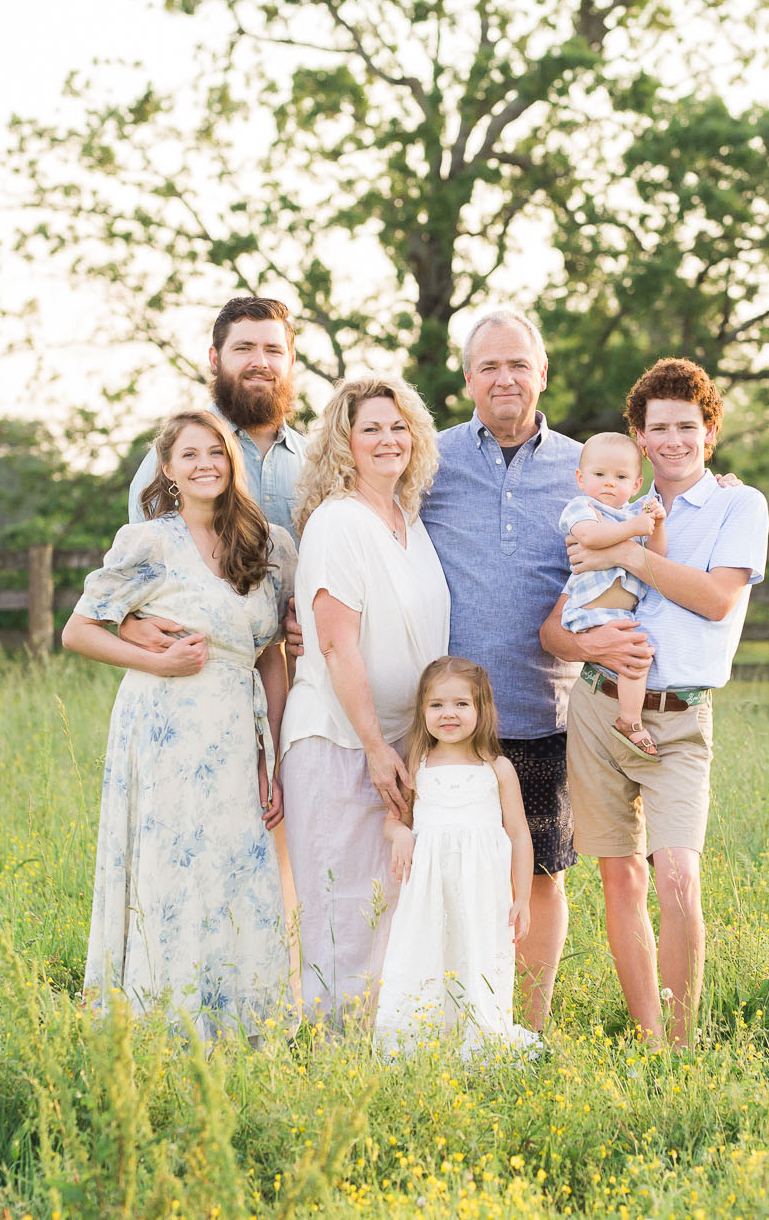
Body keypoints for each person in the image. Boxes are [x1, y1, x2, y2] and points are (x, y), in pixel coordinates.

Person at [420, 308, 655, 1033]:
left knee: (543, 874)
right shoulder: (430, 459)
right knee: (443, 874)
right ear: (466, 379)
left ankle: (528, 1025)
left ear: (542, 373)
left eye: (518, 363)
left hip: (546, 710)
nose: (504, 378)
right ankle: (448, 1021)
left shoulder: (589, 468)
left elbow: (659, 511)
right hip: (450, 720)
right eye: (488, 365)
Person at [553, 358, 768, 1048]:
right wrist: (597, 647)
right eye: (658, 428)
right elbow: (554, 628)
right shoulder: (608, 505)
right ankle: (649, 1038)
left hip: (679, 718)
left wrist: (633, 552)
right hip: (598, 708)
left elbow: (714, 599)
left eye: (687, 426)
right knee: (620, 877)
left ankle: (682, 1043)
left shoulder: (740, 505)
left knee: (675, 876)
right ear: (639, 438)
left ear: (709, 432)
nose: (672, 439)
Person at [60, 410, 295, 1037]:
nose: (204, 465)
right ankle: (165, 1020)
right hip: (163, 723)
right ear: (168, 470)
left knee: (240, 864)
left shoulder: (269, 545)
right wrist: (154, 661)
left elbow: (269, 653)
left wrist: (272, 750)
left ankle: (243, 1024)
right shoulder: (149, 543)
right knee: (174, 864)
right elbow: (79, 630)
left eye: (215, 453)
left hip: (236, 724)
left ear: (232, 462)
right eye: (189, 455)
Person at [277, 375, 449, 1026]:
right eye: (370, 427)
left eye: (398, 425)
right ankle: (330, 1061)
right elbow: (338, 644)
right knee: (341, 911)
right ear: (344, 441)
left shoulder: (408, 520)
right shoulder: (339, 520)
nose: (387, 439)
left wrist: (409, 747)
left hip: (401, 747)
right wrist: (378, 748)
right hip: (342, 744)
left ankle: (376, 1057)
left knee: (386, 914)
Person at [373, 657, 538, 1056]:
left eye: (461, 704)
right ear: (422, 711)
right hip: (429, 892)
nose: (449, 713)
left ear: (481, 710)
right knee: (428, 953)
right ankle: (424, 1039)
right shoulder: (418, 764)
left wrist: (523, 897)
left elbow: (518, 832)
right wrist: (400, 836)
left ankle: (481, 1037)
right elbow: (394, 821)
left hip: (483, 892)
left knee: (477, 954)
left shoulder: (497, 768)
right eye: (437, 705)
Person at [125, 296, 305, 530]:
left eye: (273, 351)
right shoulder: (173, 459)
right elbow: (146, 558)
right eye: (244, 348)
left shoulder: (313, 461)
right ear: (215, 359)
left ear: (290, 361)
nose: (260, 362)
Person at [557, 433, 669, 760]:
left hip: (620, 615)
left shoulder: (634, 514)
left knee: (638, 656)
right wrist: (636, 527)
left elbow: (657, 558)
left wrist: (656, 526)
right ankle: (630, 721)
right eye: (599, 475)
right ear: (581, 479)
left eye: (620, 477)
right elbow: (591, 537)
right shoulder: (582, 507)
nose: (609, 483)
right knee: (637, 655)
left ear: (636, 485)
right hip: (589, 610)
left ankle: (626, 719)